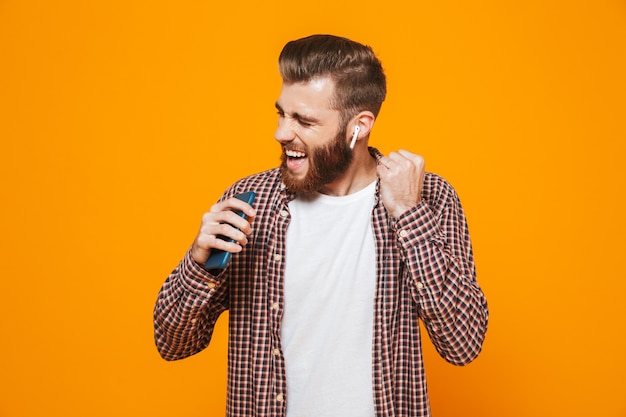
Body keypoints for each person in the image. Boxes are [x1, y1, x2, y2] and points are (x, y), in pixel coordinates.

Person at [154, 34, 489, 417]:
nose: (282, 132)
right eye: (281, 113)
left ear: (358, 127)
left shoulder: (426, 197)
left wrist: (410, 216)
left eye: (303, 120)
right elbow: (172, 343)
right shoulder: (251, 201)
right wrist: (199, 264)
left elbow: (462, 343)